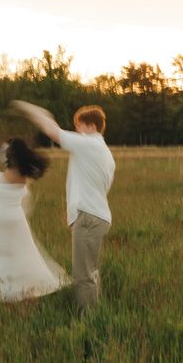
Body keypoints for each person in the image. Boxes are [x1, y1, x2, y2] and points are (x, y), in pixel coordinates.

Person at [11, 102, 115, 312]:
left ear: (92, 126)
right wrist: (73, 214)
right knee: (91, 271)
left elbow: (54, 132)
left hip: (89, 216)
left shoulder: (89, 145)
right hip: (95, 216)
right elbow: (88, 186)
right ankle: (96, 312)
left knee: (83, 275)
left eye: (80, 126)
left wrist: (35, 112)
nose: (77, 131)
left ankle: (87, 318)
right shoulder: (103, 152)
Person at [0, 138, 69, 302]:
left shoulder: (2, 177)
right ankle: (26, 289)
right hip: (16, 218)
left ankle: (2, 290)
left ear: (11, 156)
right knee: (23, 254)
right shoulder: (24, 177)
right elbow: (25, 201)